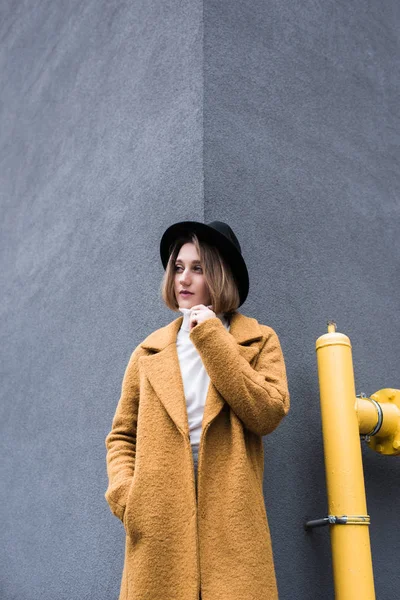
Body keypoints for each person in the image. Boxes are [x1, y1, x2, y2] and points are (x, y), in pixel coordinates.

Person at [104, 220, 290, 600]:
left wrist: (211, 338)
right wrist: (128, 498)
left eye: (197, 268)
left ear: (219, 275)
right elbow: (121, 436)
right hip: (159, 524)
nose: (183, 279)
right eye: (177, 268)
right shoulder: (147, 352)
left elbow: (268, 412)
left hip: (232, 523)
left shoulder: (258, 340)